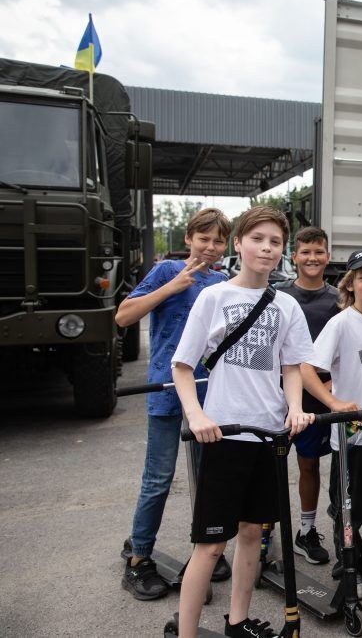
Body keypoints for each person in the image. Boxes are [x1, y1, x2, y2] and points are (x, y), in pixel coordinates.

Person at [171, 206, 316, 638]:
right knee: (211, 544)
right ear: (238, 244)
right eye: (258, 239)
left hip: (269, 436)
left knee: (254, 533)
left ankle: (237, 622)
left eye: (275, 241)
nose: (267, 248)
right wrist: (196, 414)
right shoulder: (213, 298)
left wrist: (294, 408)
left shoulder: (286, 304)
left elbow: (292, 366)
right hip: (224, 434)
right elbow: (182, 366)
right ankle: (187, 634)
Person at [117, 207, 231, 601]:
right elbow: (123, 316)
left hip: (210, 396)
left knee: (206, 478)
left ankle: (204, 553)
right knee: (159, 478)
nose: (211, 247)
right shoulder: (166, 272)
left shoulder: (223, 282)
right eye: (204, 239)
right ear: (188, 239)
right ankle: (138, 557)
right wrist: (172, 287)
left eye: (219, 241)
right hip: (165, 391)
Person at [302, 249, 362, 603]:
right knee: (347, 508)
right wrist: (333, 403)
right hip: (350, 434)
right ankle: (351, 567)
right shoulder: (341, 322)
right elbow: (307, 369)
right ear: (351, 284)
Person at [277, 226, 340, 565]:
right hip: (278, 397)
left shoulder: (339, 299)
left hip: (319, 399)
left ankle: (306, 531)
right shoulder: (278, 296)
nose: (312, 258)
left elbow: (343, 349)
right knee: (269, 466)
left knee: (310, 465)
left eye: (319, 252)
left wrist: (332, 385)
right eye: (306, 252)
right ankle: (261, 530)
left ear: (327, 256)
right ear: (294, 257)